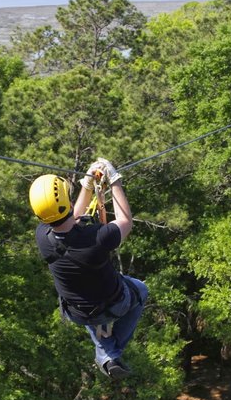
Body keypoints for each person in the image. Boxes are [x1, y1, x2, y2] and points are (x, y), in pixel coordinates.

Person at [29, 159, 148, 379]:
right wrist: (115, 181)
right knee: (140, 290)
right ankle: (109, 351)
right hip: (112, 305)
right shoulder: (97, 237)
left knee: (87, 296)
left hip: (77, 312)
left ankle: (105, 348)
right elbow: (126, 221)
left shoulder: (42, 237)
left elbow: (68, 218)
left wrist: (88, 183)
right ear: (66, 201)